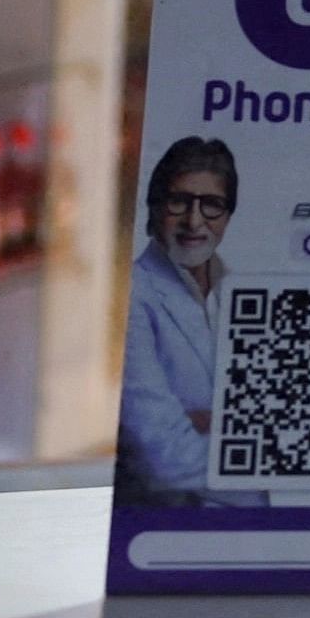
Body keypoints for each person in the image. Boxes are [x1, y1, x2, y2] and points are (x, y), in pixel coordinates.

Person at [115, 136, 263, 506]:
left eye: (211, 205)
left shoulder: (244, 290)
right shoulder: (135, 296)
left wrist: (205, 420)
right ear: (154, 207)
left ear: (229, 215)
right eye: (179, 201)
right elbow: (164, 458)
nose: (194, 221)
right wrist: (266, 466)